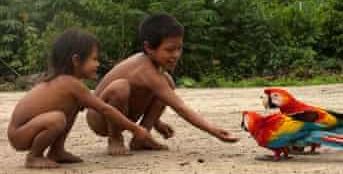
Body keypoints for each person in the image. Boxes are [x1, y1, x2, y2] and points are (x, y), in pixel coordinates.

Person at [86, 13, 238, 155]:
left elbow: (142, 95)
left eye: (179, 48)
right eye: (170, 50)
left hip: (125, 115)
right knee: (120, 88)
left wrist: (156, 122)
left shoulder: (156, 70)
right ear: (148, 48)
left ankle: (141, 138)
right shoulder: (143, 68)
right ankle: (115, 138)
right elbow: (180, 107)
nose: (176, 55)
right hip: (100, 119)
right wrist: (214, 131)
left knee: (167, 82)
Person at [7, 29, 156, 168]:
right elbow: (104, 109)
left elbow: (98, 104)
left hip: (28, 129)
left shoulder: (70, 84)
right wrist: (135, 129)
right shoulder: (69, 83)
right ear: (76, 60)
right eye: (94, 59)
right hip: (20, 134)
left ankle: (57, 151)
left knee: (72, 108)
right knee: (57, 119)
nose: (98, 64)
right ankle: (34, 157)